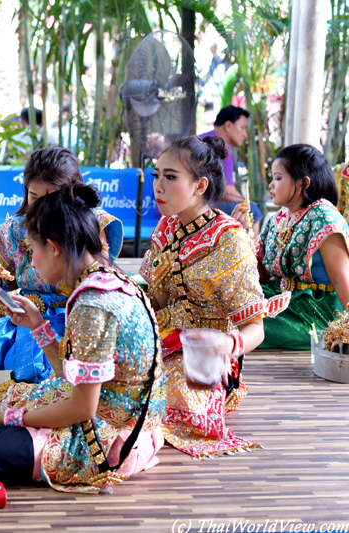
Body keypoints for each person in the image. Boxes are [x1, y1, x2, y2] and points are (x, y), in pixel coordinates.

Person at [0, 183, 165, 492]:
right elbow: (70, 374)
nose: (33, 261)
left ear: (53, 247)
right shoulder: (108, 278)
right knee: (3, 392)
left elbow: (83, 409)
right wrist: (37, 325)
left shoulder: (92, 304)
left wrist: (8, 419)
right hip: (128, 419)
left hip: (112, 440)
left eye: (33, 250)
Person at [141, 135, 287, 459]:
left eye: (170, 177)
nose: (158, 187)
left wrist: (225, 347)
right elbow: (161, 303)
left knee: (153, 388)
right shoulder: (165, 229)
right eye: (156, 176)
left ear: (199, 186)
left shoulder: (229, 240)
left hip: (209, 355)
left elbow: (256, 330)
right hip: (167, 334)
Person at [0, 146, 123, 383]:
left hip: (66, 317)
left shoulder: (90, 224)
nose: (38, 207)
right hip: (24, 314)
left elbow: (96, 277)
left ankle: (20, 393)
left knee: (28, 368)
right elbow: (14, 277)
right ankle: (13, 389)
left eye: (49, 198)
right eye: (33, 196)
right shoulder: (16, 229)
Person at [245, 145, 349, 350]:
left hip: (316, 310)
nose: (270, 185)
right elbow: (262, 273)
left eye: (277, 177)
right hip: (280, 297)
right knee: (229, 309)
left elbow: (341, 278)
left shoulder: (324, 216)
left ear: (303, 183)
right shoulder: (279, 217)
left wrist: (346, 327)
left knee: (244, 322)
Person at [199, 105, 261, 235]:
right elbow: (227, 192)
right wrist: (248, 202)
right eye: (243, 127)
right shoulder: (222, 147)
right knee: (253, 210)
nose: (245, 134)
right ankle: (252, 252)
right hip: (200, 205)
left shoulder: (201, 138)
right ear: (228, 125)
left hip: (192, 202)